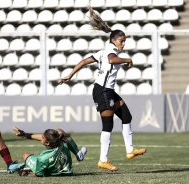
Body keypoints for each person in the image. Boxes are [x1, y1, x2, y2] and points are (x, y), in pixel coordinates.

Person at [58, 6, 147, 172]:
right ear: (114, 40)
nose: (123, 43)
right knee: (108, 125)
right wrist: (127, 59)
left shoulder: (103, 51)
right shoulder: (111, 51)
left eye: (124, 41)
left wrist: (70, 75)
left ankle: (130, 150)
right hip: (103, 91)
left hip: (108, 90)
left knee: (126, 116)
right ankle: (103, 160)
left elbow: (85, 61)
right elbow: (112, 60)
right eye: (122, 41)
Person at [12, 127, 87, 177]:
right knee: (59, 130)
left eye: (43, 137)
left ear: (47, 143)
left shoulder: (43, 158)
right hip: (68, 172)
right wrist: (27, 135)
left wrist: (27, 174)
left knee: (25, 155)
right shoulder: (61, 141)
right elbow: (58, 133)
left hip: (53, 171)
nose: (41, 137)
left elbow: (39, 173)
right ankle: (78, 153)